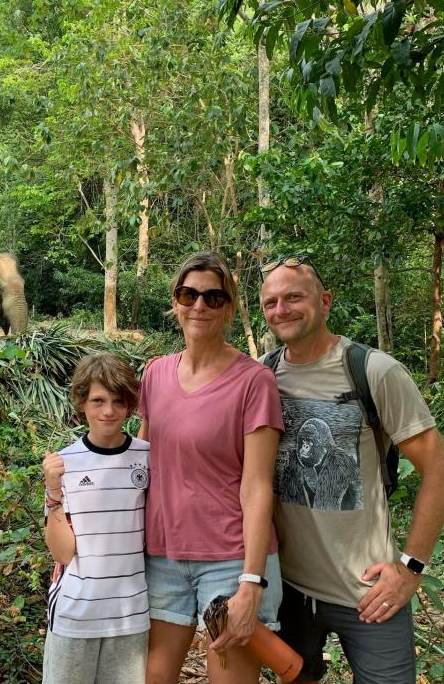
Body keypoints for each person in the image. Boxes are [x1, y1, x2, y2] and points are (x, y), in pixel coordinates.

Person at [259, 255, 444, 684]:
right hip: (287, 586)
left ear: (325, 301)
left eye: (294, 297)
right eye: (271, 302)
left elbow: (438, 469)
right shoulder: (263, 375)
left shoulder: (374, 371)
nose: (282, 309)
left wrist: (410, 569)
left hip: (366, 590)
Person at [139, 251, 284, 684]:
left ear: (229, 308)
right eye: (189, 294)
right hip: (162, 557)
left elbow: (258, 487)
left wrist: (251, 581)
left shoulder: (253, 381)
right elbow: (140, 465)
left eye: (213, 297)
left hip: (230, 559)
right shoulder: (155, 374)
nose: (199, 306)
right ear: (176, 302)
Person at [41, 353, 151, 684]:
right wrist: (53, 490)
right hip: (76, 613)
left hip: (130, 615)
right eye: (98, 400)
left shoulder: (147, 457)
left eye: (118, 401)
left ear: (130, 405)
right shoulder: (64, 463)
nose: (108, 411)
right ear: (82, 403)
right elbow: (62, 554)